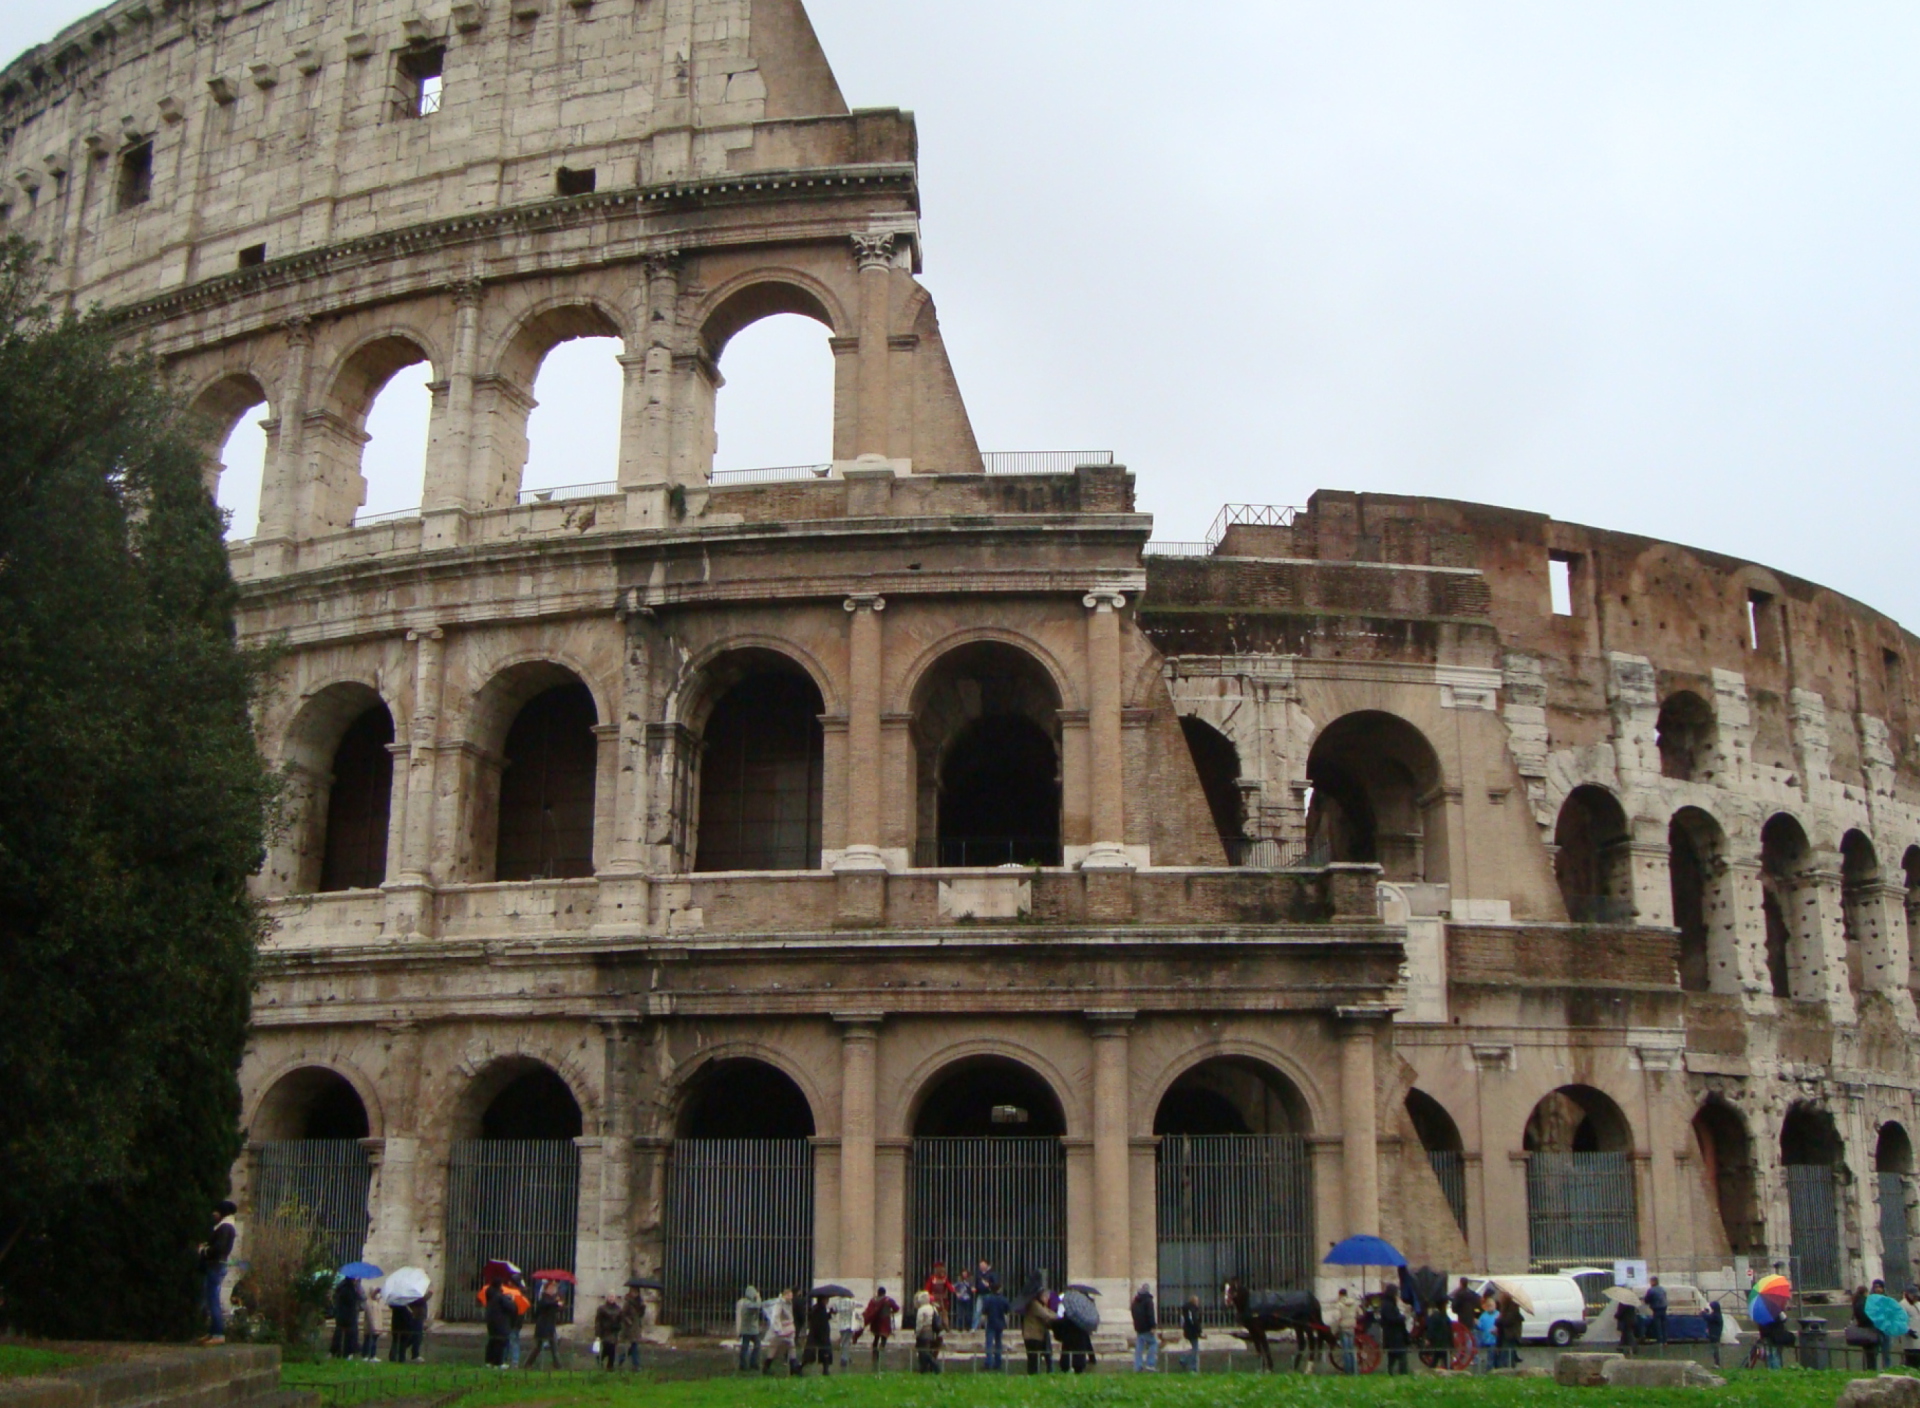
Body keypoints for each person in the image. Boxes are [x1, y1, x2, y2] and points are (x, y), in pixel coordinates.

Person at [197, 1201, 238, 1345]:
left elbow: (219, 1248)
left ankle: (218, 1333)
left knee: (213, 1300)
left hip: (215, 1266)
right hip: (217, 1265)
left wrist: (204, 1250)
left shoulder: (225, 1227)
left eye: (216, 1211)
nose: (213, 1214)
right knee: (210, 1299)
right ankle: (212, 1332)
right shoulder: (227, 1226)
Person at [1020, 1279, 1057, 1374]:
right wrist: (1057, 1317)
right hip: (1033, 1335)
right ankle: (1033, 1375)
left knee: (1036, 1357)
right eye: (1045, 1296)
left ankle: (1035, 1374)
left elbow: (1048, 1312)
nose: (1046, 1299)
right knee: (1033, 1358)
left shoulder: (1039, 1304)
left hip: (1037, 1335)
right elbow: (1046, 1315)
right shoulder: (1034, 1304)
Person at [526, 1282, 563, 1369]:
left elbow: (557, 1309)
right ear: (547, 1289)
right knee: (538, 1347)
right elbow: (545, 1305)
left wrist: (559, 1304)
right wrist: (556, 1303)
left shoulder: (553, 1299)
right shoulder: (544, 1298)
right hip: (543, 1325)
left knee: (554, 1346)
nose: (553, 1290)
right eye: (551, 1288)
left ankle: (557, 1365)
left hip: (550, 1326)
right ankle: (528, 1363)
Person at [761, 1287, 796, 1375]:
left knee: (792, 1348)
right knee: (773, 1349)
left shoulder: (789, 1303)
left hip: (788, 1330)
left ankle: (794, 1367)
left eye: (791, 1295)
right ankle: (766, 1367)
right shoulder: (780, 1304)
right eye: (789, 1295)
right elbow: (775, 1317)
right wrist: (778, 1329)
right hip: (781, 1331)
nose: (791, 1296)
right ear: (785, 1295)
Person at [863, 1287, 900, 1368]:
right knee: (883, 1338)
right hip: (885, 1321)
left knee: (876, 1338)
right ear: (884, 1293)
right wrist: (891, 1311)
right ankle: (881, 1352)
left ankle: (875, 1354)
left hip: (875, 1322)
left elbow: (869, 1310)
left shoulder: (873, 1300)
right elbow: (897, 1308)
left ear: (878, 1292)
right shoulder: (888, 1300)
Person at [799, 1292, 834, 1375]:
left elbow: (823, 1319)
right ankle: (799, 1367)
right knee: (817, 1352)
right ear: (822, 1300)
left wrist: (829, 1314)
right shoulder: (819, 1309)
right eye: (826, 1299)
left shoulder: (819, 1308)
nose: (827, 1301)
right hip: (820, 1334)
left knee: (824, 1352)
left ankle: (825, 1370)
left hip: (819, 1334)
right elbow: (820, 1321)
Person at [1378, 1282, 1409, 1375]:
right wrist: (1402, 1318)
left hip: (1393, 1335)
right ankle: (1402, 1373)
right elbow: (1391, 1319)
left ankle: (1391, 1372)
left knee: (1393, 1357)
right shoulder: (1387, 1305)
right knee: (1401, 1356)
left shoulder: (1388, 1304)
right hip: (1394, 1335)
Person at [977, 1283, 1010, 1371]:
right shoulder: (1004, 1299)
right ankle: (998, 1362)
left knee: (989, 1343)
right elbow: (1007, 1311)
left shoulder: (988, 1299)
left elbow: (984, 1312)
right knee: (998, 1343)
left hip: (991, 1322)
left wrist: (982, 1323)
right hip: (1000, 1323)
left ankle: (988, 1362)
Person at [330, 1276, 364, 1359]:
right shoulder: (348, 1289)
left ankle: (337, 1351)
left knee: (339, 1333)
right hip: (348, 1315)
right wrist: (357, 1295)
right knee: (349, 1334)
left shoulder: (341, 1287)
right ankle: (346, 1352)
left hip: (341, 1314)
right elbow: (351, 1300)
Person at [483, 1282, 515, 1368]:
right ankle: (498, 1362)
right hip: (501, 1323)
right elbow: (511, 1308)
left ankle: (489, 1361)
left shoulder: (490, 1296)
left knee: (492, 1341)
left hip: (492, 1322)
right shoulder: (500, 1297)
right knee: (500, 1342)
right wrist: (511, 1300)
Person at [914, 1289, 944, 1374]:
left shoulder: (921, 1309)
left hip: (924, 1332)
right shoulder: (932, 1308)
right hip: (931, 1332)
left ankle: (935, 1367)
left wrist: (917, 1332)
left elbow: (920, 1323)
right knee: (927, 1351)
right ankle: (925, 1369)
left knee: (923, 1351)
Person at [733, 1285, 763, 1371]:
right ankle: (745, 1364)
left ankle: (751, 1363)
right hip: (747, 1329)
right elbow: (758, 1306)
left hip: (752, 1329)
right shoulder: (747, 1303)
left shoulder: (747, 1302)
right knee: (746, 1347)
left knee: (754, 1346)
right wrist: (758, 1297)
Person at [1328, 1288, 1357, 1374]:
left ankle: (1347, 1371)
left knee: (1345, 1350)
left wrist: (1333, 1329)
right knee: (1351, 1349)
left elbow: (1337, 1317)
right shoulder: (1354, 1303)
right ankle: (1354, 1370)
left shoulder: (1339, 1304)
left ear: (1340, 1294)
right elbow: (1360, 1313)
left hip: (1344, 1328)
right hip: (1352, 1327)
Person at [1131, 1283, 1158, 1372]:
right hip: (1147, 1328)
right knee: (1153, 1343)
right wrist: (1153, 1326)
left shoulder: (1135, 1302)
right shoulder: (1148, 1301)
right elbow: (1150, 1314)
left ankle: (1137, 1366)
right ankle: (1150, 1363)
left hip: (1138, 1327)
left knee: (1139, 1347)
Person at [618, 1285, 646, 1370]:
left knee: (634, 1346)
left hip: (636, 1328)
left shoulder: (639, 1303)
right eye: (633, 1292)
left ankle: (635, 1364)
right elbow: (623, 1314)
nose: (634, 1294)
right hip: (628, 1328)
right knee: (629, 1346)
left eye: (636, 1292)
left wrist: (642, 1308)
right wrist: (628, 1320)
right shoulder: (628, 1303)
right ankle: (622, 1360)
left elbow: (640, 1315)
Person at [595, 1293, 625, 1372]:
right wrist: (598, 1333)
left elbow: (621, 1319)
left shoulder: (618, 1309)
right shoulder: (602, 1309)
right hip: (605, 1331)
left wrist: (620, 1327)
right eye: (610, 1296)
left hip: (614, 1331)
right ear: (607, 1298)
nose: (611, 1298)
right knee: (607, 1347)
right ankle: (601, 1358)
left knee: (612, 1348)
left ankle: (610, 1365)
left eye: (613, 1297)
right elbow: (598, 1321)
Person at [1495, 1291, 1524, 1371]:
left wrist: (1498, 1321)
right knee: (1505, 1354)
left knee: (1507, 1355)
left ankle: (1509, 1370)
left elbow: (1507, 1321)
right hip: (1504, 1334)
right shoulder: (1503, 1307)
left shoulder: (1513, 1307)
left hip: (1510, 1335)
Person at [832, 1294, 859, 1370]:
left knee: (844, 1342)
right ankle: (844, 1359)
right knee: (846, 1342)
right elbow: (860, 1305)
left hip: (841, 1326)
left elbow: (834, 1310)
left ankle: (846, 1357)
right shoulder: (851, 1302)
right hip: (849, 1325)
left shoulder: (838, 1302)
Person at [1180, 1295, 1204, 1372]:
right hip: (1192, 1331)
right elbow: (1194, 1321)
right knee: (1195, 1349)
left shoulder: (1187, 1309)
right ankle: (1190, 1364)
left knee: (1194, 1348)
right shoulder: (1192, 1310)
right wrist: (1199, 1331)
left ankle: (1185, 1360)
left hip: (1189, 1331)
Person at [1474, 1296, 1498, 1374]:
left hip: (1494, 1339)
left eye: (1493, 1305)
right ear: (1487, 1307)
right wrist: (1477, 1324)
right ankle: (1490, 1370)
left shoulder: (1498, 1315)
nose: (1491, 1307)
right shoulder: (1483, 1316)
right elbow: (1481, 1327)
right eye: (1489, 1306)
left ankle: (1490, 1370)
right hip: (1486, 1338)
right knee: (1489, 1355)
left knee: (1492, 1355)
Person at [1645, 1276, 1668, 1349]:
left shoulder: (1651, 1290)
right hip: (1664, 1307)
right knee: (1663, 1325)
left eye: (1651, 1281)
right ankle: (1665, 1341)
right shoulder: (1662, 1289)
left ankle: (1660, 1341)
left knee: (1658, 1325)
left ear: (1653, 1282)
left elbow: (1647, 1300)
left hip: (1656, 1308)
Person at [1613, 1292, 1638, 1357]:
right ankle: (1620, 1347)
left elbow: (1620, 1312)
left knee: (1629, 1334)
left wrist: (1616, 1316)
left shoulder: (1623, 1303)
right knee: (1625, 1335)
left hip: (1625, 1321)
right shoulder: (1631, 1303)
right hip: (1632, 1320)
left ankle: (1634, 1348)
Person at [361, 1287, 383, 1360]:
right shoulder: (370, 1303)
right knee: (369, 1341)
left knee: (373, 1341)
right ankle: (366, 1355)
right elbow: (371, 1316)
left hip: (376, 1326)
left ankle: (372, 1355)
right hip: (371, 1326)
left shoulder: (376, 1303)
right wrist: (374, 1326)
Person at [1703, 1295, 1724, 1369]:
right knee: (1714, 1349)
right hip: (1713, 1334)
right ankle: (1716, 1363)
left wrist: (1703, 1313)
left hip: (1715, 1335)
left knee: (1715, 1349)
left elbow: (1709, 1318)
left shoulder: (1716, 1316)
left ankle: (1717, 1364)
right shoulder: (1716, 1314)